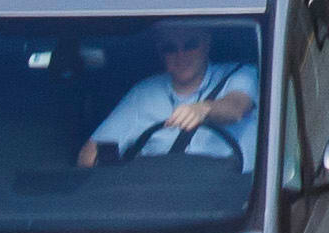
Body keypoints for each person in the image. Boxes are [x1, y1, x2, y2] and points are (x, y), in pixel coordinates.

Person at [82, 25, 255, 166]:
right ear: (160, 52)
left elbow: (237, 107)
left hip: (230, 194)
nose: (181, 56)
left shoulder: (241, 74)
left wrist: (204, 109)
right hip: (159, 194)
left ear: (206, 44)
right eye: (170, 48)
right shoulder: (145, 92)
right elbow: (89, 155)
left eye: (190, 45)